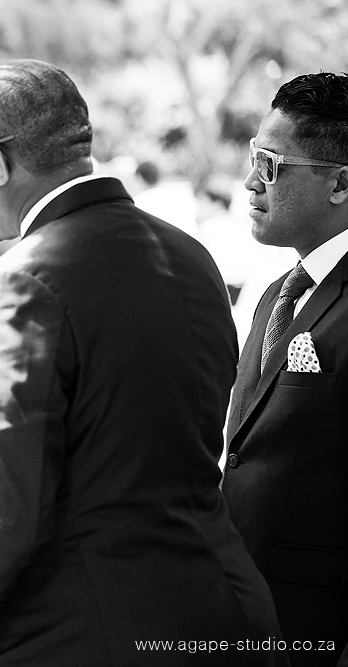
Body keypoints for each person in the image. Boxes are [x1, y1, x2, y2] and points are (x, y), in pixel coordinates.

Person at [0, 59, 287, 667]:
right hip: (225, 608)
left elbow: (2, 517)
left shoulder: (19, 287)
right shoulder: (189, 254)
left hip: (87, 630)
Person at [222, 72, 348, 667]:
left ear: (340, 183)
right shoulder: (278, 293)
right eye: (254, 157)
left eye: (271, 165)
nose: (251, 182)